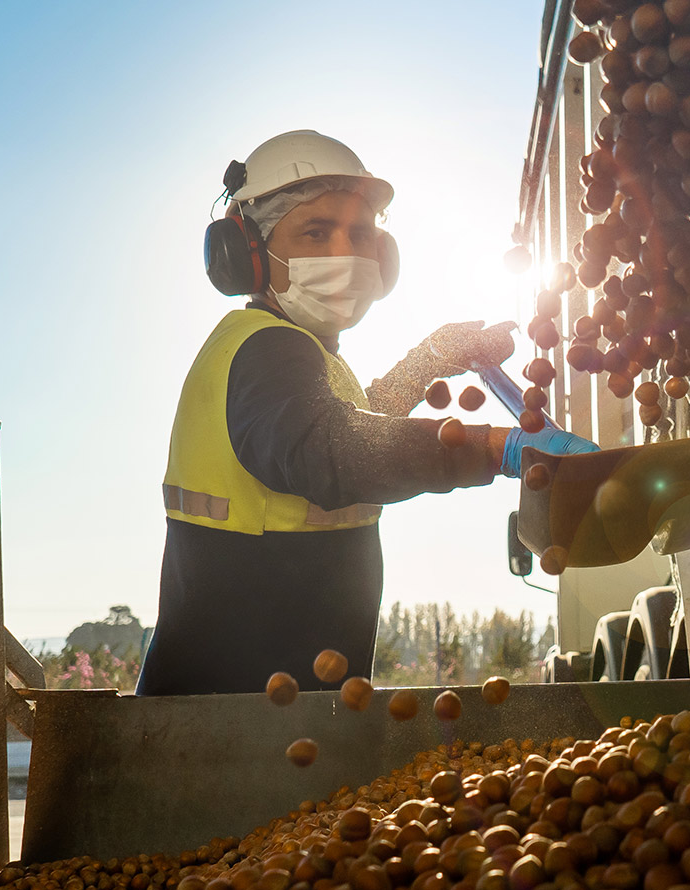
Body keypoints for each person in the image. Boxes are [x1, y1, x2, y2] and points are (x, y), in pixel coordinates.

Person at [136, 130, 595, 696]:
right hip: (227, 719)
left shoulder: (302, 354)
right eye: (315, 232)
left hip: (289, 708)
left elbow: (358, 418)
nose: (344, 252)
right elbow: (332, 450)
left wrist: (430, 359)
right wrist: (496, 447)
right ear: (246, 254)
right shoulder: (263, 348)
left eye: (360, 234)